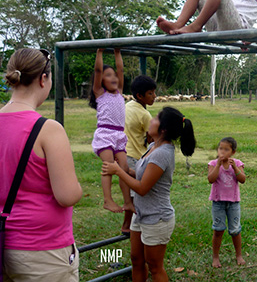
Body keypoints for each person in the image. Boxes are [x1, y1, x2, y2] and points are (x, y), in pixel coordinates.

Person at [1, 48, 82, 281]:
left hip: (3, 245)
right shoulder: (48, 130)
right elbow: (66, 195)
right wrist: (78, 188)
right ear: (43, 79)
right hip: (43, 251)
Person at [102, 106, 196, 282]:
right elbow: (142, 176)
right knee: (137, 260)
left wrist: (118, 172)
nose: (150, 120)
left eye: (155, 119)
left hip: (157, 218)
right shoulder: (153, 146)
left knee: (155, 267)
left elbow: (142, 188)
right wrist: (125, 169)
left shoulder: (162, 153)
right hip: (141, 214)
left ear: (164, 129)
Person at [89, 48, 133, 214]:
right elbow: (98, 70)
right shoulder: (100, 93)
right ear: (101, 81)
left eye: (114, 75)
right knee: (108, 166)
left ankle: (128, 202)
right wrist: (99, 51)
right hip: (105, 134)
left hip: (119, 135)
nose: (114, 77)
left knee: (124, 168)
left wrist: (117, 51)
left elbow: (120, 69)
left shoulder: (119, 92)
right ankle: (108, 200)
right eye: (108, 75)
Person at [122, 75, 157, 234]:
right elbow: (151, 137)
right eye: (150, 93)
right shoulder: (145, 115)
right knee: (136, 193)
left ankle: (129, 225)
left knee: (131, 192)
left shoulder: (127, 106)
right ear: (140, 96)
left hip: (123, 152)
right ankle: (128, 225)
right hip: (136, 155)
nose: (154, 96)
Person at [207, 137, 246, 268]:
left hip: (233, 202)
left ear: (233, 152)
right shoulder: (213, 163)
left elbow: (242, 179)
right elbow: (211, 179)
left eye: (226, 149)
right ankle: (215, 257)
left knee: (235, 230)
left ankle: (239, 255)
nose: (222, 152)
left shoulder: (238, 163)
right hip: (218, 202)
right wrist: (218, 165)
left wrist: (234, 167)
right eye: (220, 148)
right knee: (218, 230)